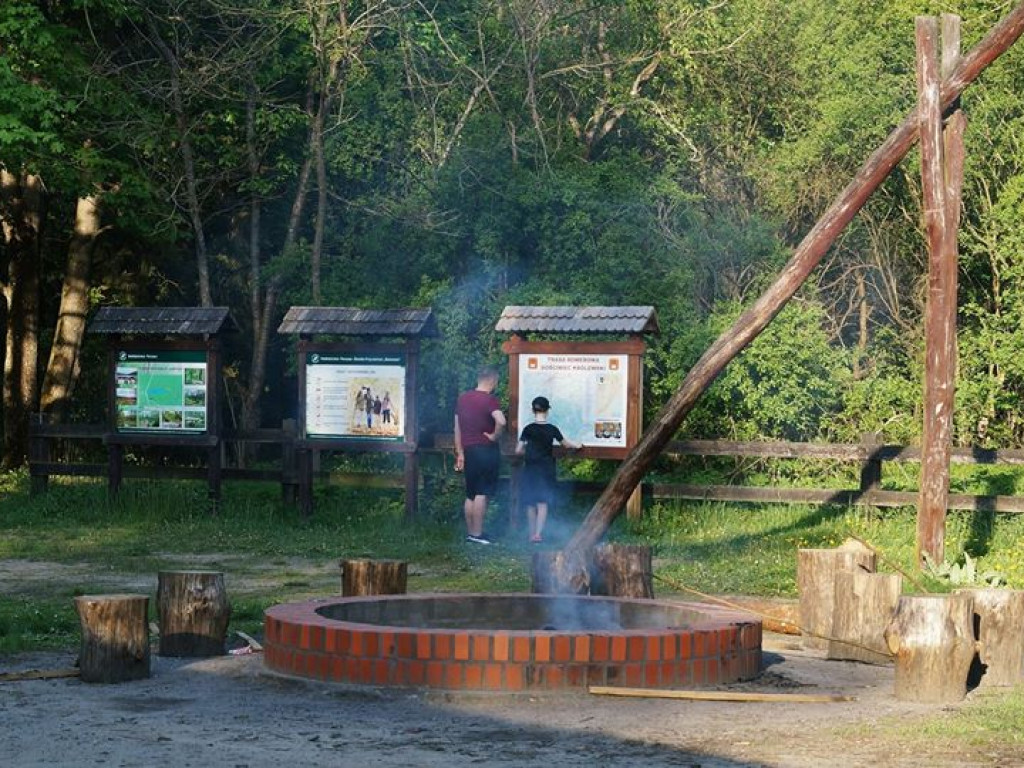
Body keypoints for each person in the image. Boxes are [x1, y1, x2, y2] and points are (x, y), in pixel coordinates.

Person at [516, 396, 580, 543]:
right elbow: (566, 444)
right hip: (546, 469)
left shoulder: (528, 429)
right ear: (547, 411)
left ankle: (531, 534)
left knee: (531, 502)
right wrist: (577, 445)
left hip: (531, 468)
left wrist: (529, 451)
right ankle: (538, 534)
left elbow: (518, 450)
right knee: (542, 502)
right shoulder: (552, 429)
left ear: (533, 410)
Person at [454, 366, 505, 545]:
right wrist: (494, 436)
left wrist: (460, 452)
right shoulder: (490, 400)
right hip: (486, 449)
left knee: (471, 493)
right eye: (496, 382)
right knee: (482, 492)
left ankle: (471, 533)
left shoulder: (463, 399)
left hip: (469, 449)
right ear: (491, 380)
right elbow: (501, 421)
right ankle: (478, 535)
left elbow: (457, 427)